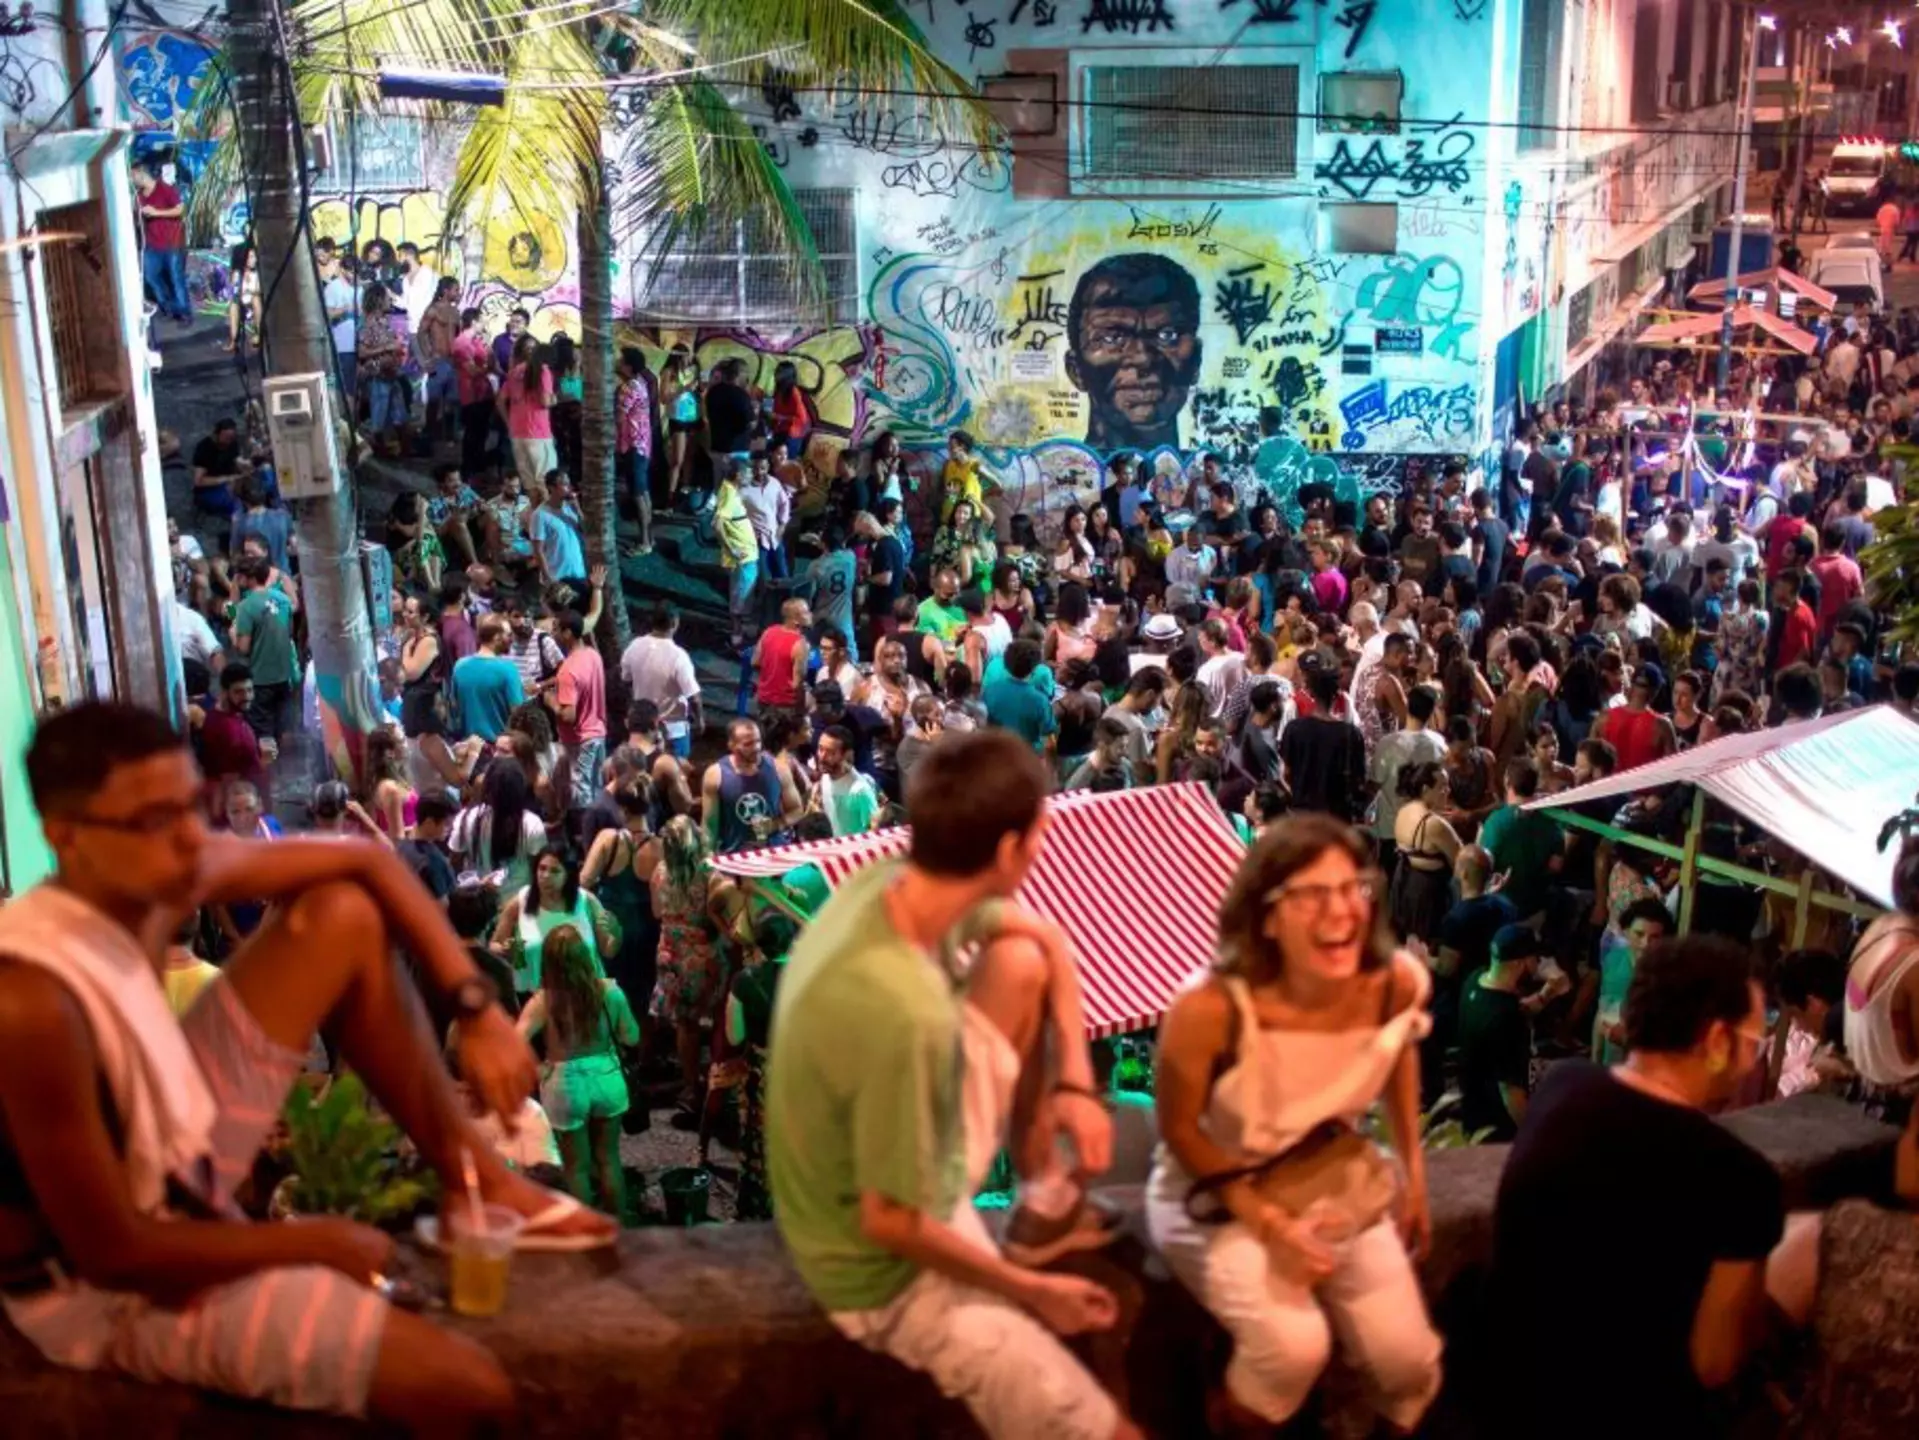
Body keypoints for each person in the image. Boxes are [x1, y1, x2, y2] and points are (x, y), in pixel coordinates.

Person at [0, 703, 612, 1431]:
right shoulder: (31, 1003)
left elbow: (363, 862)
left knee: (341, 916)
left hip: (166, 1142)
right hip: (102, 1291)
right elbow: (114, 1254)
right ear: (65, 837)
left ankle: (477, 1181)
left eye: (190, 811)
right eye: (151, 822)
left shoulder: (160, 866)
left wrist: (476, 1007)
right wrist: (310, 1242)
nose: (185, 845)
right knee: (466, 1390)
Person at [769, 731, 1138, 1440]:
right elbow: (889, 1221)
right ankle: (1030, 1255)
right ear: (1007, 853)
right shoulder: (904, 1010)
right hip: (871, 1271)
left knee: (1020, 960)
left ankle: (1041, 1200)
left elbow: (1039, 937)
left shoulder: (886, 884)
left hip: (885, 1155)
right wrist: (1033, 1292)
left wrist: (1071, 1079)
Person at [1148, 814, 1442, 1432]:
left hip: (1328, 1176)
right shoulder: (1207, 1008)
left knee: (1407, 1359)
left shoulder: (1395, 984)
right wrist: (1270, 1222)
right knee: (1292, 1345)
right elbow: (1180, 1131)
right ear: (1268, 917)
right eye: (1312, 896)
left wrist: (1413, 1172)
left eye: (1352, 889)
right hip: (1212, 1193)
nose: (1340, 912)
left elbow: (1398, 1052)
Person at [1484, 935, 1784, 1440]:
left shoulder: (1563, 1085)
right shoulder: (1741, 1179)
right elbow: (1715, 1362)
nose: (1755, 1061)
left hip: (1505, 1390)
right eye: (1754, 1042)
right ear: (1714, 1042)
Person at [516, 925, 639, 1217]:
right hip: (605, 1075)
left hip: (564, 1083)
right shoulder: (609, 991)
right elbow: (632, 1036)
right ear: (585, 955)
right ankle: (618, 1227)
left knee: (576, 1168)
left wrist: (536, 1067)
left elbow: (514, 1039)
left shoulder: (542, 1001)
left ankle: (584, 1230)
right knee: (609, 1159)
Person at [651, 816, 728, 1126]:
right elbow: (718, 913)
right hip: (703, 951)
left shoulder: (659, 873)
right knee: (716, 1018)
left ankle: (690, 1086)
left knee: (685, 1025)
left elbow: (657, 912)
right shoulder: (711, 873)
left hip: (670, 950)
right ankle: (719, 1083)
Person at [488, 846, 615, 998]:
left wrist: (616, 934)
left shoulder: (586, 901)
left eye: (555, 871)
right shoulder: (521, 901)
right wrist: (504, 950)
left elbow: (608, 950)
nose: (545, 876)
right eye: (542, 869)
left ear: (568, 874)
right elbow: (493, 945)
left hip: (585, 995)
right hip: (534, 996)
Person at [1457, 924, 1542, 1142]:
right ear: (1519, 963)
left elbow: (1507, 1003)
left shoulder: (1474, 981)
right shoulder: (1507, 1019)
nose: (1538, 964)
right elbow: (1511, 1093)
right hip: (1497, 1126)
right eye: (1534, 959)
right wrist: (1534, 1136)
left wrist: (1546, 994)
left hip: (1472, 1109)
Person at [1278, 658, 1367, 823]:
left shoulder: (1294, 729)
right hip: (1338, 819)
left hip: (1302, 815)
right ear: (1336, 694)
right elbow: (1359, 779)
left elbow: (1285, 773)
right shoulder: (1351, 734)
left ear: (1311, 693)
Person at [702, 718, 802, 854]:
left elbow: (797, 810)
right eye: (748, 744)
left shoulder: (779, 769)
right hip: (734, 855)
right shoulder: (715, 775)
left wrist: (776, 824)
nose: (756, 748)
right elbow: (709, 826)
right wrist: (708, 859)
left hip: (773, 852)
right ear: (731, 745)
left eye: (758, 741)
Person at [1479, 759, 1560, 925]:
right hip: (1536, 910)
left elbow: (1481, 866)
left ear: (1507, 781)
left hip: (1501, 910)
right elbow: (1556, 865)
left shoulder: (1496, 822)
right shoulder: (1551, 821)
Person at [548, 608, 606, 817]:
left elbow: (569, 716)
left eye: (556, 629)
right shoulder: (593, 655)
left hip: (579, 740)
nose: (552, 634)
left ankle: (583, 838)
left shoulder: (568, 671)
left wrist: (552, 701)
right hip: (598, 734)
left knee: (580, 794)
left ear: (568, 633)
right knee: (597, 790)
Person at [449, 613, 525, 743]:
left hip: (468, 747)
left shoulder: (459, 666)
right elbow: (518, 713)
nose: (512, 639)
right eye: (508, 635)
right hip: (500, 748)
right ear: (496, 638)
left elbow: (454, 707)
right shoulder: (508, 669)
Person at [132, 161, 191, 324]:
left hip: (172, 243)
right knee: (150, 276)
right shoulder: (139, 196)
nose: (132, 179)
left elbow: (180, 209)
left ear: (142, 173)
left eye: (134, 175)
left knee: (176, 278)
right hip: (152, 244)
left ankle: (184, 313)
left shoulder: (165, 189)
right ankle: (169, 307)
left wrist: (157, 212)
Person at [714, 459, 761, 649]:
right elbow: (717, 524)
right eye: (748, 473)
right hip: (742, 558)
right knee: (740, 598)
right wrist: (731, 549)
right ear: (738, 475)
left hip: (747, 556)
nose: (752, 476)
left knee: (742, 596)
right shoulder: (728, 494)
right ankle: (737, 637)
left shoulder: (730, 490)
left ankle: (740, 632)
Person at [812, 724, 881, 835]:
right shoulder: (824, 779)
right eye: (820, 749)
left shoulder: (860, 790)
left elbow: (873, 832)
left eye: (831, 752)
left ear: (846, 754)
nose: (822, 757)